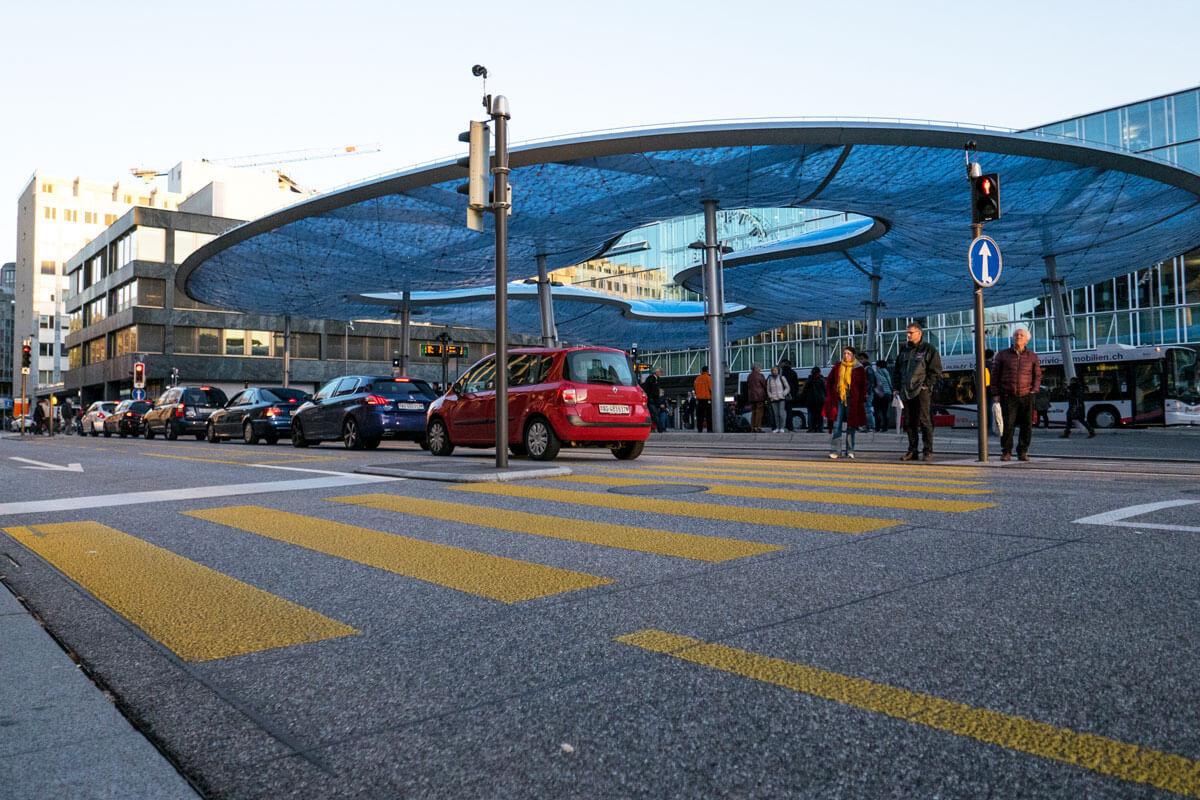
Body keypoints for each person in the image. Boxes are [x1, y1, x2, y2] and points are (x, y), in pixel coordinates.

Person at [892, 321, 942, 462]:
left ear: (919, 333)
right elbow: (897, 370)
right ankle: (912, 451)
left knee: (925, 421)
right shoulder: (904, 350)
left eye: (910, 332)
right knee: (908, 422)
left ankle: (927, 451)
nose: (908, 335)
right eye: (907, 332)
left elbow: (936, 370)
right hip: (906, 391)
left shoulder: (928, 349)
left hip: (921, 391)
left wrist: (927, 385)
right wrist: (896, 388)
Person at [993, 328, 1043, 462]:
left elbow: (1037, 375)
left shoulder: (1032, 356)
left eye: (1021, 335)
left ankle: (1022, 452)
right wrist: (996, 393)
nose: (1018, 337)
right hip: (1008, 395)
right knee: (1008, 425)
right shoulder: (1002, 355)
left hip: (1027, 395)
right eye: (1016, 335)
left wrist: (1034, 389)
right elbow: (995, 375)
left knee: (1027, 425)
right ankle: (1006, 452)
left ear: (1027, 340)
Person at [824, 347, 867, 459]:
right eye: (844, 353)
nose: (846, 355)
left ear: (853, 356)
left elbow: (864, 385)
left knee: (851, 425)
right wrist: (830, 394)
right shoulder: (838, 366)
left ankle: (850, 450)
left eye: (848, 353)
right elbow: (829, 380)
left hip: (853, 401)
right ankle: (835, 450)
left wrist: (862, 399)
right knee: (837, 425)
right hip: (838, 399)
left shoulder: (859, 368)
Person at [800, 367, 826, 433]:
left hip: (810, 401)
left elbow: (804, 391)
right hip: (820, 400)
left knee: (811, 415)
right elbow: (826, 390)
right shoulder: (822, 380)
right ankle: (820, 428)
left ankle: (811, 428)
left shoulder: (808, 380)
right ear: (819, 372)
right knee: (820, 415)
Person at [871, 358, 893, 432]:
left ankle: (877, 427)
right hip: (887, 394)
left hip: (878, 394)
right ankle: (885, 427)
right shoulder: (887, 373)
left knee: (877, 412)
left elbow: (876, 384)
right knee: (885, 412)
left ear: (878, 366)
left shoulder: (876, 373)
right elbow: (890, 383)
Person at [766, 366, 789, 433]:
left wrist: (783, 394)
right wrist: (771, 396)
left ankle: (782, 427)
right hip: (774, 399)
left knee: (781, 413)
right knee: (775, 414)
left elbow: (787, 387)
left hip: (781, 398)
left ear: (778, 371)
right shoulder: (769, 379)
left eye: (775, 370)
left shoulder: (782, 378)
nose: (774, 372)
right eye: (773, 371)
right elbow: (768, 390)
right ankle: (777, 427)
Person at [642, 368, 665, 433]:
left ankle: (656, 428)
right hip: (651, 399)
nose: (660, 374)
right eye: (660, 372)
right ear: (656, 372)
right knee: (655, 414)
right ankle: (659, 428)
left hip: (653, 399)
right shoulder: (651, 379)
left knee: (654, 414)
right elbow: (651, 390)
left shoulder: (656, 379)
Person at [780, 358, 800, 431]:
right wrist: (794, 394)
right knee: (789, 411)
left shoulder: (781, 373)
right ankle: (790, 426)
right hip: (790, 395)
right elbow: (796, 385)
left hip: (781, 395)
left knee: (780, 412)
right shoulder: (793, 373)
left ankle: (780, 426)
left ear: (784, 364)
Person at [746, 364, 767, 432]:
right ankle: (758, 427)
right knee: (759, 412)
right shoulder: (760, 375)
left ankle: (752, 427)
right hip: (759, 396)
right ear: (756, 368)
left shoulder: (749, 376)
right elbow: (764, 385)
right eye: (759, 367)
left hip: (751, 397)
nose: (760, 369)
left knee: (753, 412)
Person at [857, 352, 875, 431]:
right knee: (865, 409)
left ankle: (870, 426)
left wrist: (867, 392)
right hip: (864, 392)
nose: (860, 361)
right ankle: (868, 425)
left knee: (867, 409)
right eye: (859, 359)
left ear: (865, 359)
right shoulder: (864, 368)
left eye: (862, 359)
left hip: (867, 393)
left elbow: (870, 382)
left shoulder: (868, 368)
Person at [693, 366, 712, 432]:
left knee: (700, 415)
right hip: (707, 398)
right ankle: (709, 429)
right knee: (708, 415)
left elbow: (695, 388)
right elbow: (711, 388)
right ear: (707, 370)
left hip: (699, 399)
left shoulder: (697, 378)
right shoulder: (708, 378)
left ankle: (699, 429)